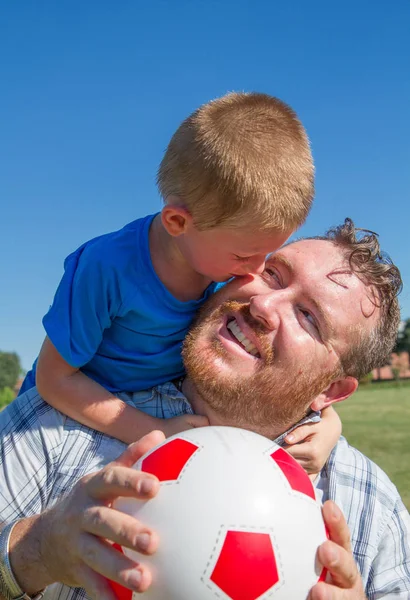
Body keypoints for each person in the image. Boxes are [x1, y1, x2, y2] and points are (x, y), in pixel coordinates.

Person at [1, 220, 408, 600]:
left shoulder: (371, 506)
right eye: (272, 273)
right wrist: (36, 548)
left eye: (308, 317)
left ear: (331, 389)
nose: (264, 304)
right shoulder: (62, 419)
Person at [19, 91, 316, 445]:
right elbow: (54, 380)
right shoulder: (107, 268)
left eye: (269, 255)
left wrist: (328, 426)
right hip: (64, 417)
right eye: (243, 256)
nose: (256, 272)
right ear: (177, 221)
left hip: (153, 406)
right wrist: (151, 431)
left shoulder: (218, 263)